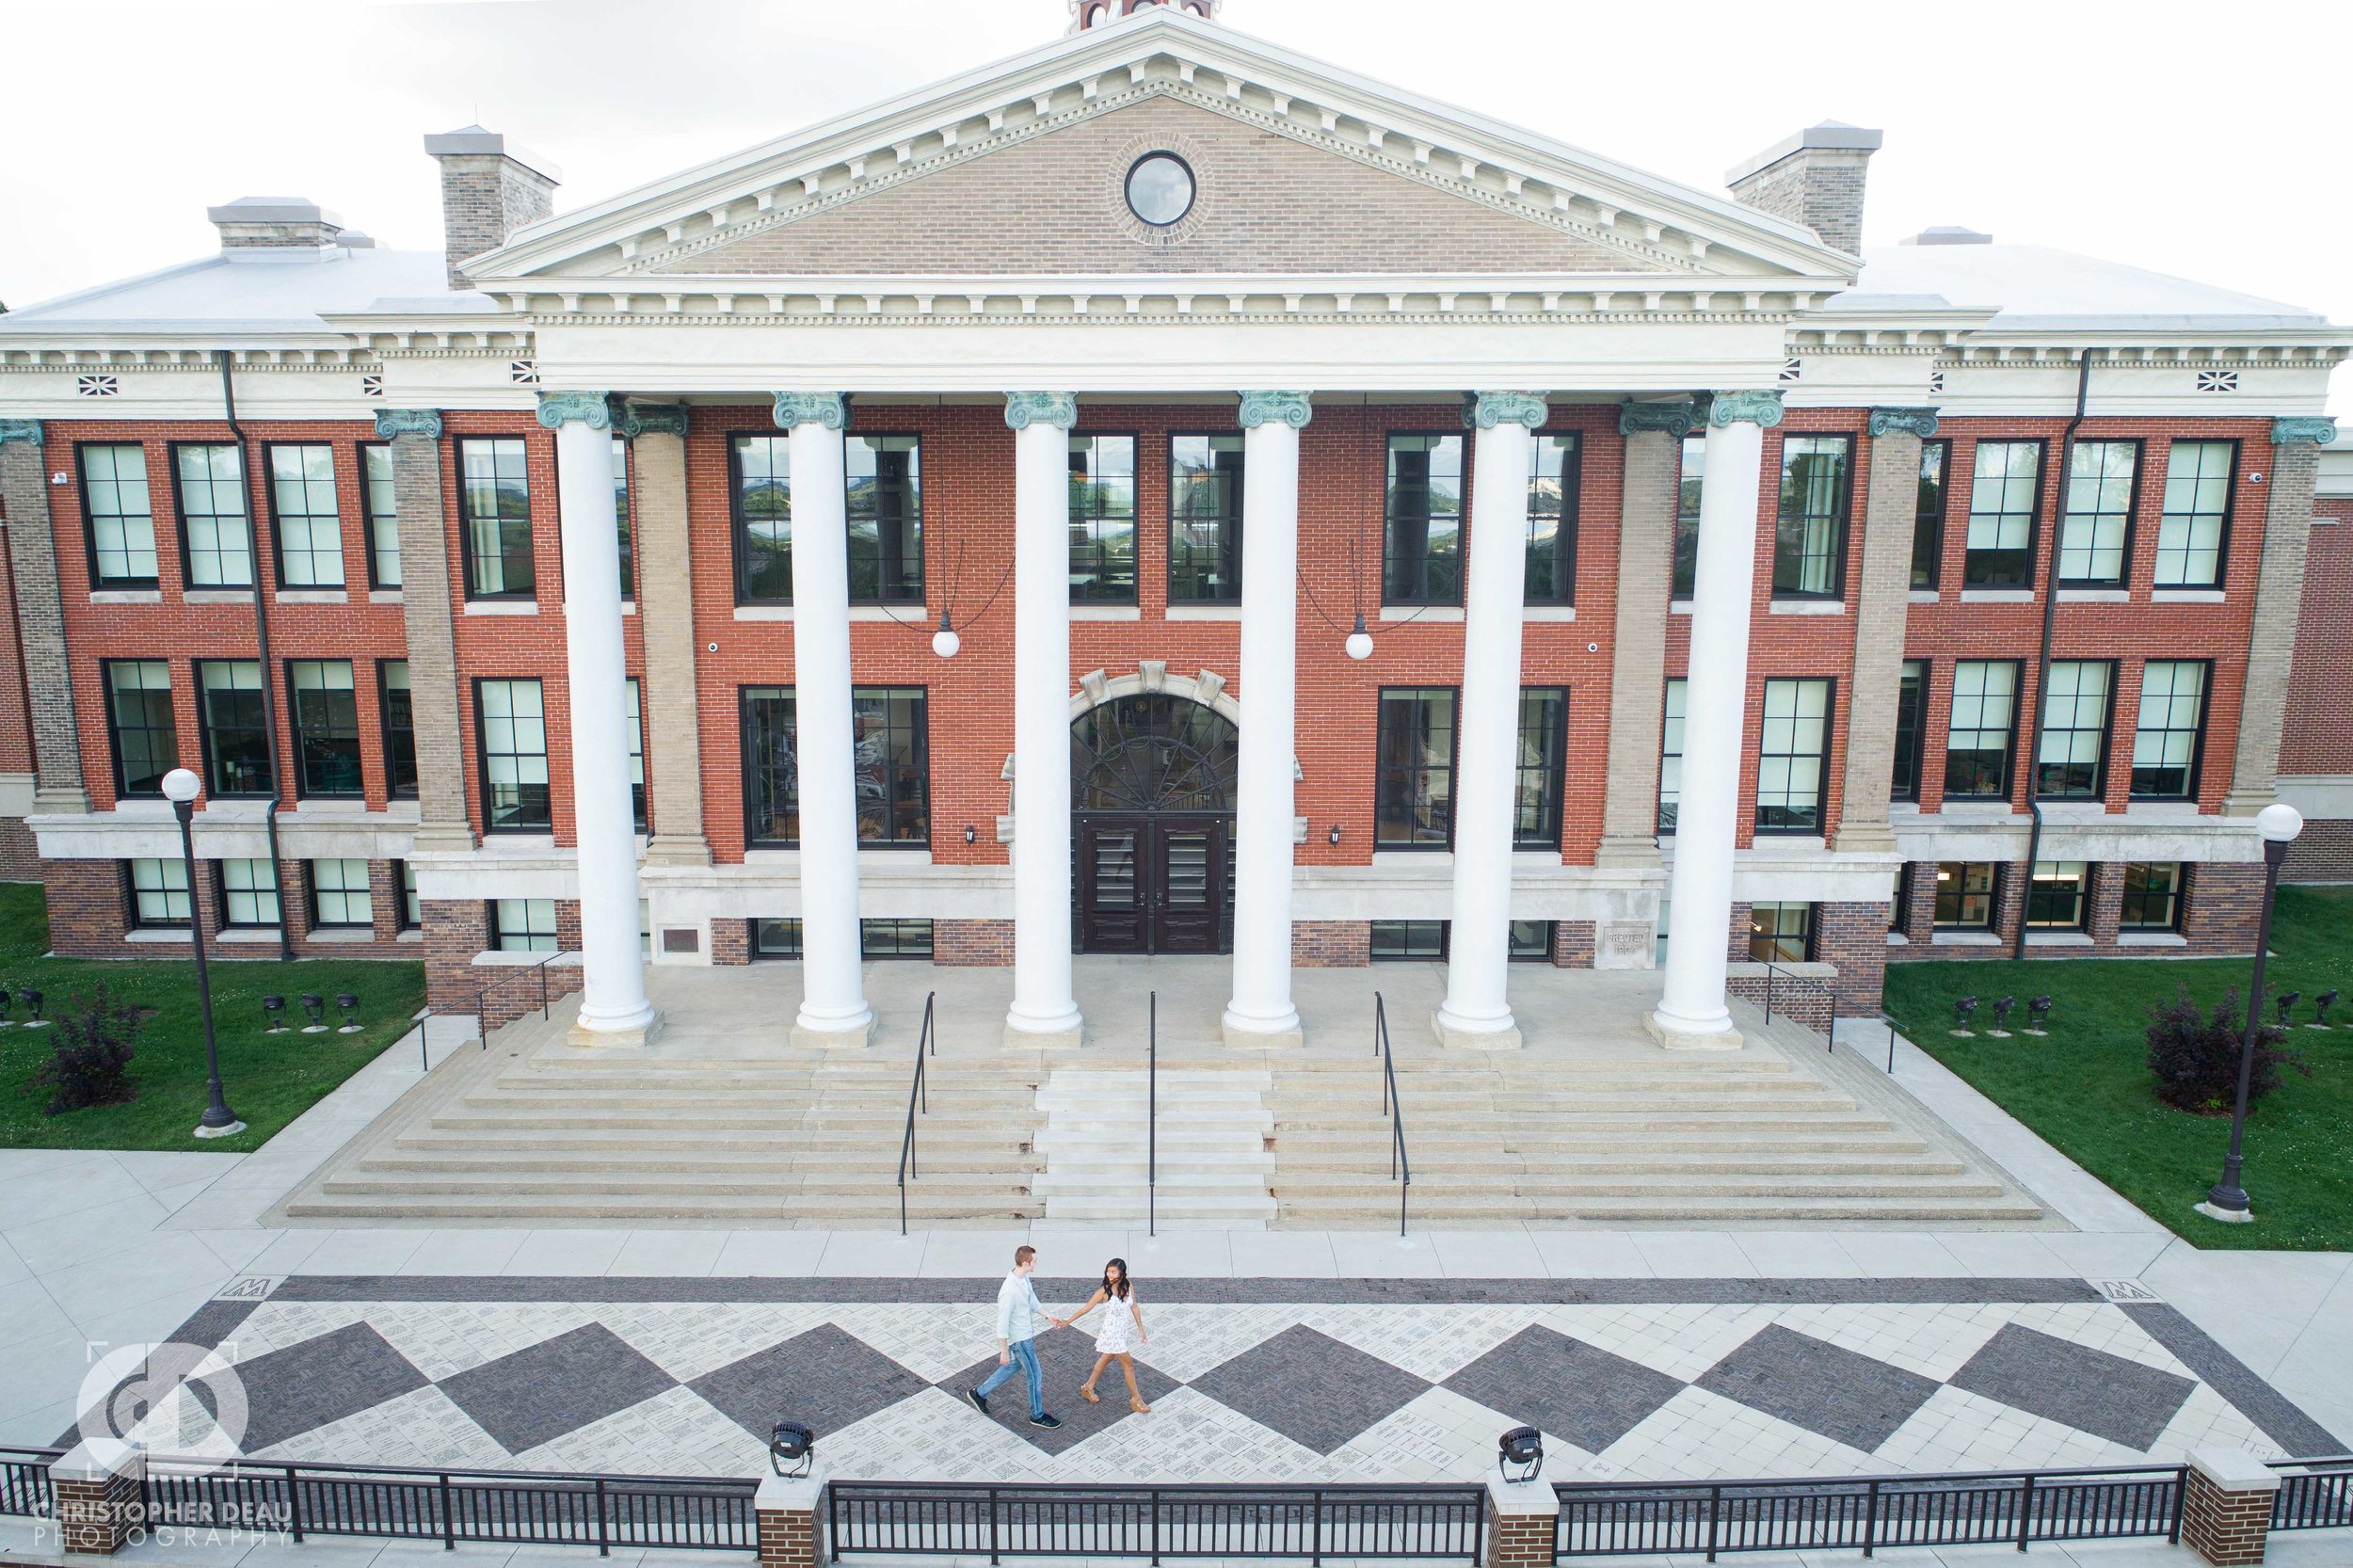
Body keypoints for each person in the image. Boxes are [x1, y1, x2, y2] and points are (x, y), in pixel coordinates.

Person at [967, 1244, 1064, 1428]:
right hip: (1020, 1341)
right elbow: (1001, 1323)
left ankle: (979, 1393)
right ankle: (1037, 1415)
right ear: (1026, 1262)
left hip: (1025, 1335)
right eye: (1035, 1260)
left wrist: (1049, 1316)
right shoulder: (1009, 1291)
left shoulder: (1023, 1277)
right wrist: (1004, 1351)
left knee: (1012, 1367)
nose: (1037, 1263)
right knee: (1035, 1376)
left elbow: (1032, 1300)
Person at [1063, 1256, 1151, 1413]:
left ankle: (1088, 1387)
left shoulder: (1129, 1285)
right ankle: (1136, 1399)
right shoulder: (1104, 1291)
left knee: (1107, 1358)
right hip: (1112, 1335)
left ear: (1122, 1273)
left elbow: (1134, 1307)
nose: (1109, 1275)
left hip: (1121, 1332)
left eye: (1113, 1271)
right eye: (1108, 1271)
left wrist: (1141, 1329)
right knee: (1129, 1366)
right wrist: (1067, 1321)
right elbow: (1086, 1308)